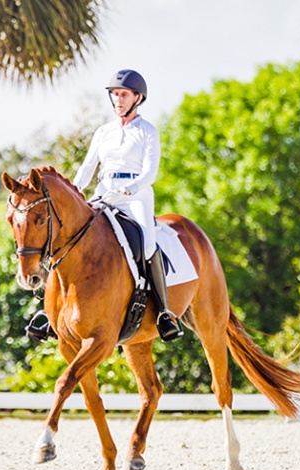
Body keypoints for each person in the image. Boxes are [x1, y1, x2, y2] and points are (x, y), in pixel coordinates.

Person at [72, 69, 183, 342]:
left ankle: (164, 313)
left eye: (123, 94)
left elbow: (150, 174)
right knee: (72, 235)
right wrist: (74, 192)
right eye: (115, 94)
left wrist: (126, 190)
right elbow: (87, 168)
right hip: (102, 192)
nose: (118, 100)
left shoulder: (147, 131)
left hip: (136, 197)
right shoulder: (103, 132)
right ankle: (49, 312)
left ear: (137, 98)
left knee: (147, 245)